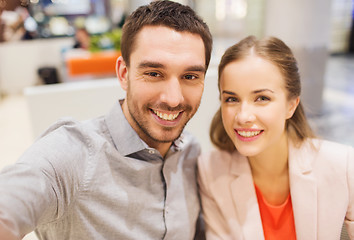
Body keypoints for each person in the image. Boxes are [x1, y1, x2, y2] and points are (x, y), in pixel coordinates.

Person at [0, 1, 212, 239]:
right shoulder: (74, 156)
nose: (173, 99)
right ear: (124, 74)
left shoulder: (190, 151)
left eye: (190, 76)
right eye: (154, 73)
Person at [197, 35, 354, 240]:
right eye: (232, 99)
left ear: (291, 105)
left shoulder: (344, 166)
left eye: (262, 98)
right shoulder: (210, 170)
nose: (243, 116)